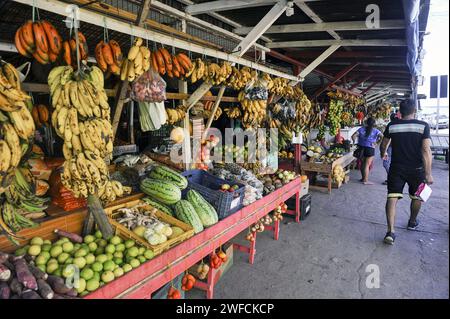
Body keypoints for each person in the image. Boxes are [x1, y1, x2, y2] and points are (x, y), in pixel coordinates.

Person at [380, 99, 433, 245]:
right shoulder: (423, 126)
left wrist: (383, 153)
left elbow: (383, 143)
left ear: (400, 112)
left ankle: (390, 232)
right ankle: (412, 221)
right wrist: (428, 173)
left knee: (392, 197)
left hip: (396, 167)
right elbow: (426, 150)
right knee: (417, 197)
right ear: (414, 111)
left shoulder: (392, 125)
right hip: (417, 169)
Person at [352, 117, 383, 185]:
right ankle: (365, 180)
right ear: (374, 123)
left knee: (363, 164)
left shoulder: (361, 129)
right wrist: (377, 143)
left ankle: (363, 178)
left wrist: (354, 142)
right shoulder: (376, 131)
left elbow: (353, 136)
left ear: (366, 122)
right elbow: (382, 137)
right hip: (370, 149)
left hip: (361, 148)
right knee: (366, 164)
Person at [382, 113, 399, 185]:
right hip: (397, 149)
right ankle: (392, 179)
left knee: (386, 163)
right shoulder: (399, 125)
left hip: (390, 148)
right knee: (392, 164)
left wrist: (384, 151)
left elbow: (388, 141)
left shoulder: (391, 126)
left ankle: (392, 179)